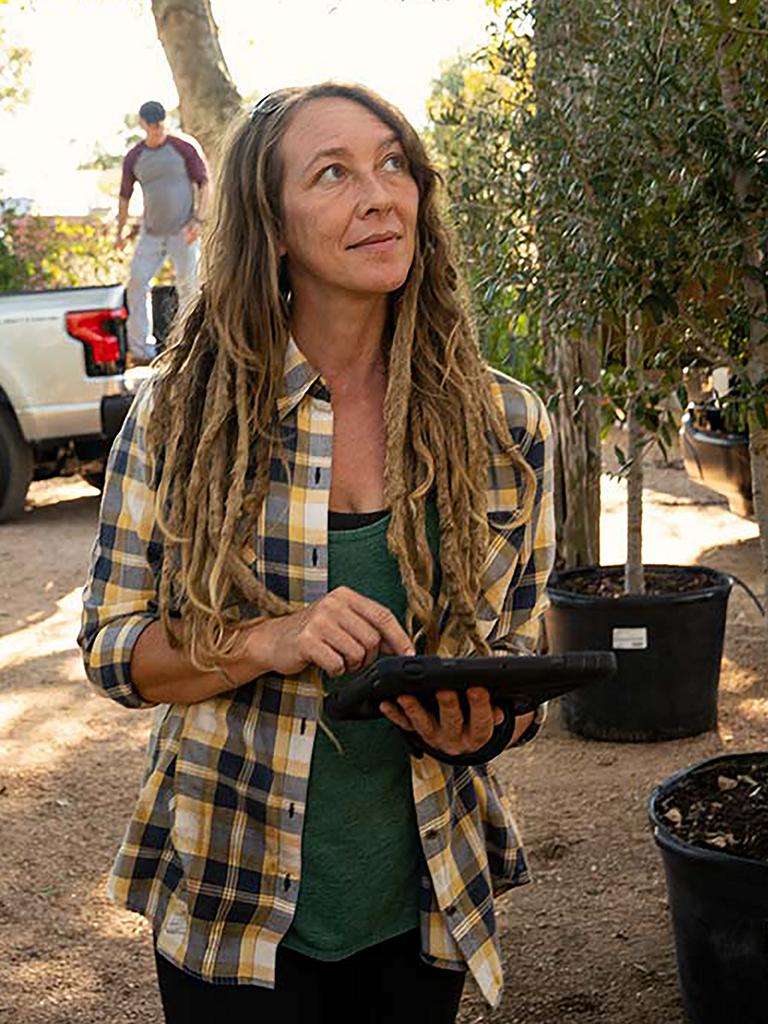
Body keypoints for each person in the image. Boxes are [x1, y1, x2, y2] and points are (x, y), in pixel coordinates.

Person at [80, 82, 555, 1024]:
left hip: (421, 901)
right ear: (271, 226)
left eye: (392, 163)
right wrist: (266, 639)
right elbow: (112, 651)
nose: (380, 194)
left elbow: (516, 664)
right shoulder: (184, 417)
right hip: (231, 907)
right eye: (332, 173)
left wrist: (485, 728)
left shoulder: (506, 426)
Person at [116, 100, 210, 363]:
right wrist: (120, 233)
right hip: (152, 232)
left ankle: (192, 348)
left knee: (190, 287)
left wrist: (199, 221)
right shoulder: (135, 157)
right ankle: (141, 351)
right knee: (136, 283)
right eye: (153, 126)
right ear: (143, 125)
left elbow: (205, 183)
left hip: (184, 230)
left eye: (161, 125)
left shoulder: (183, 147)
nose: (158, 130)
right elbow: (124, 196)